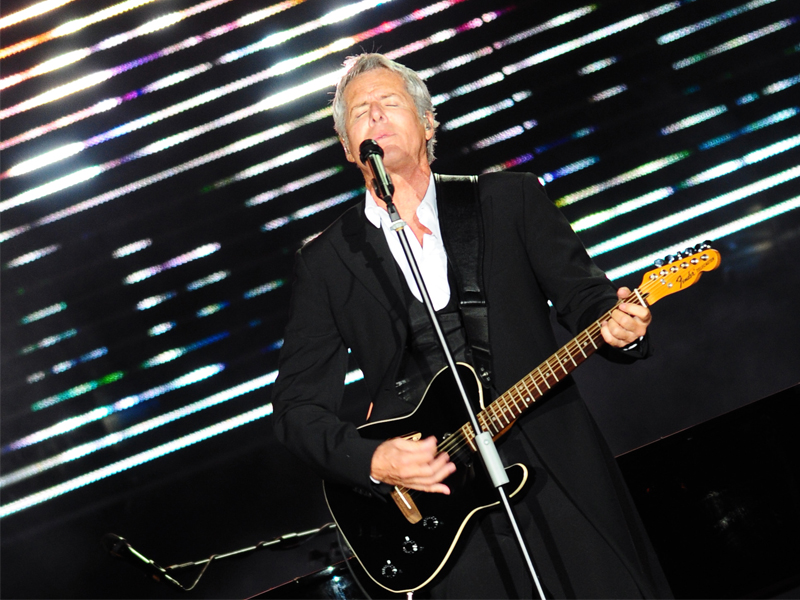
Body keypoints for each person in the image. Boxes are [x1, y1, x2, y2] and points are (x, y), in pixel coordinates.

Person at [272, 53, 671, 598]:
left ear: (427, 122)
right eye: (360, 112)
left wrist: (621, 324)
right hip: (441, 513)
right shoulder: (327, 261)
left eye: (389, 102)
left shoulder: (508, 199)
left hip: (553, 466)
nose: (376, 116)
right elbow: (296, 410)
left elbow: (586, 298)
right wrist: (374, 460)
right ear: (347, 146)